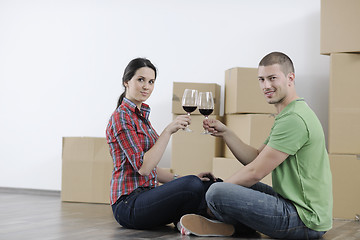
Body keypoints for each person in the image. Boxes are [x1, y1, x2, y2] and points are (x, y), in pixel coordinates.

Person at [179, 52, 333, 239]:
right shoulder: (290, 113)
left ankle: (222, 222)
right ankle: (229, 226)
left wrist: (213, 194)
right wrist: (227, 133)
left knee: (217, 191)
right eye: (261, 79)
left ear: (290, 78)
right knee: (224, 187)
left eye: (272, 78)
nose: (266, 85)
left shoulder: (294, 119)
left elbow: (255, 172)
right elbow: (255, 158)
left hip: (304, 220)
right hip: (293, 206)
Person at [106, 57, 218, 231]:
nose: (146, 86)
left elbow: (152, 170)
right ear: (126, 82)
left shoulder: (141, 117)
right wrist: (167, 132)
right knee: (192, 186)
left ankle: (201, 221)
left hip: (147, 197)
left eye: (151, 82)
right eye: (140, 80)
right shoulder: (122, 117)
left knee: (208, 184)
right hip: (128, 205)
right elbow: (143, 167)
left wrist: (184, 179)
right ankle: (197, 219)